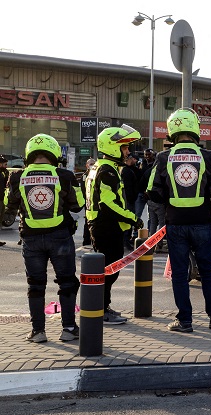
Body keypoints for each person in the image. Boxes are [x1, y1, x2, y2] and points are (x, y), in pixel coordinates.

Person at [146, 108, 211, 333]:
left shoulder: (163, 158)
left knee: (179, 274)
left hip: (175, 225)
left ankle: (184, 321)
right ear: (195, 129)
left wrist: (169, 200)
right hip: (202, 224)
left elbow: (151, 191)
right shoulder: (208, 157)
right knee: (207, 272)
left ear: (171, 131)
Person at [5, 134, 84, 342]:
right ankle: (68, 329)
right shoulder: (64, 175)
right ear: (55, 153)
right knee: (67, 282)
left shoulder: (17, 176)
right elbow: (78, 204)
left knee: (35, 285)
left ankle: (38, 331)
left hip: (30, 238)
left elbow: (8, 206)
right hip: (60, 236)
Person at [85, 126, 144, 325]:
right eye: (124, 148)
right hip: (106, 227)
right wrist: (132, 218)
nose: (127, 152)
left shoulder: (99, 167)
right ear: (112, 147)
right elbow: (108, 204)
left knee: (108, 270)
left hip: (100, 225)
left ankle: (103, 307)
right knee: (109, 270)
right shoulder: (107, 170)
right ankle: (100, 310)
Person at [121, 152, 142, 251]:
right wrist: (130, 198)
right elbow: (127, 187)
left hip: (130, 199)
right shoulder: (126, 170)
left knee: (129, 221)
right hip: (128, 200)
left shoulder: (130, 169)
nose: (135, 161)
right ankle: (125, 241)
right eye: (134, 159)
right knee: (128, 221)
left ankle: (127, 240)